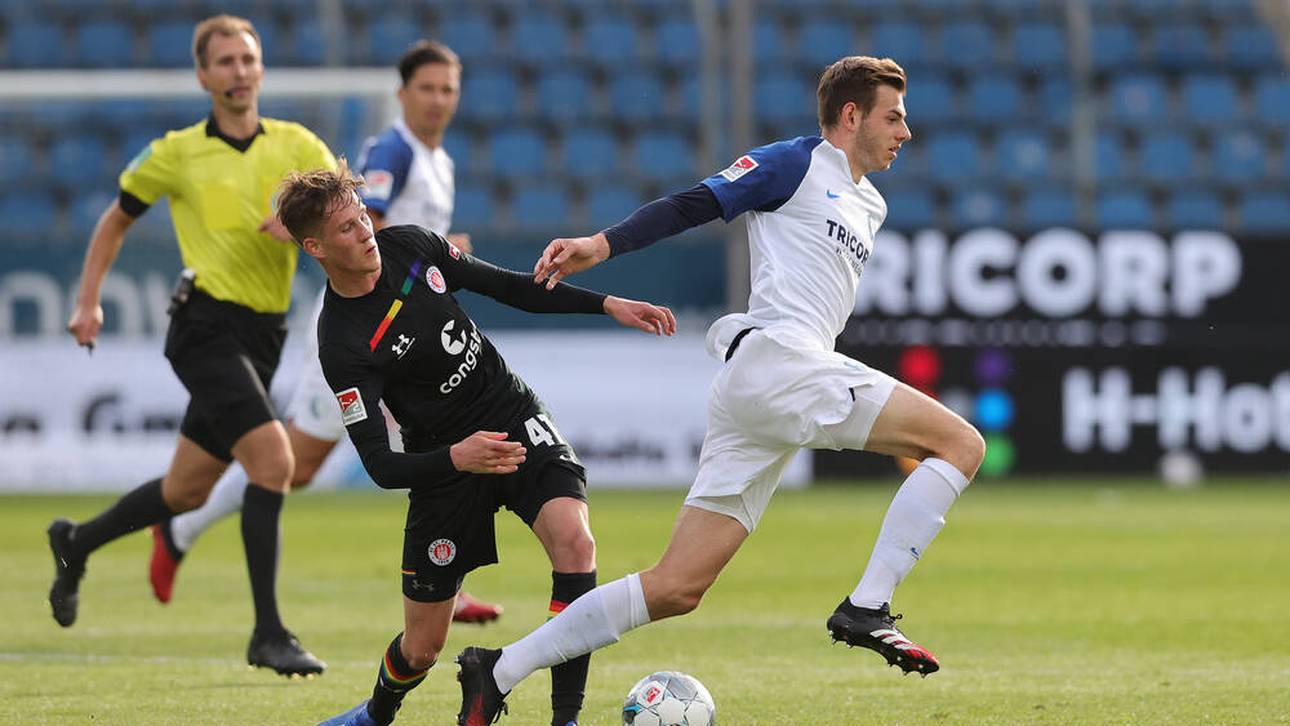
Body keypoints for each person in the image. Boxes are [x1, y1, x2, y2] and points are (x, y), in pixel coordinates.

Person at [454, 56, 987, 723]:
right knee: (961, 444)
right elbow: (696, 203)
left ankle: (497, 669)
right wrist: (600, 244)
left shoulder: (870, 202)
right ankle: (867, 605)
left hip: (767, 388)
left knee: (677, 587)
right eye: (894, 116)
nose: (905, 131)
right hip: (778, 363)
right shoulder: (795, 162)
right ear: (851, 116)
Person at [273, 162, 676, 726]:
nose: (364, 231)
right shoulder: (340, 343)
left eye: (362, 216)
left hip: (509, 413)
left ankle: (566, 719)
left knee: (575, 544)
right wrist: (457, 457)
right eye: (346, 228)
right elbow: (381, 465)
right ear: (314, 246)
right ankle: (374, 717)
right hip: (445, 463)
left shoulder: (411, 246)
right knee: (422, 649)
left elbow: (512, 288)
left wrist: (606, 304)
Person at [147, 39, 503, 625]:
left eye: (448, 90)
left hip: (403, 330)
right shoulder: (395, 147)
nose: (438, 100)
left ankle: (447, 583)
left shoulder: (441, 160)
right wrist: (440, 251)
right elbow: (371, 226)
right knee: (295, 464)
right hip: (360, 332)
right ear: (402, 94)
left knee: (435, 439)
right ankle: (179, 530)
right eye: (427, 89)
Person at [51, 15, 335, 676]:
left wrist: (305, 226)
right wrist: (88, 300)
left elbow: (346, 219)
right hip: (204, 327)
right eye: (225, 61)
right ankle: (268, 632)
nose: (239, 71)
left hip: (264, 334)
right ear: (204, 76)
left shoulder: (299, 144)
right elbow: (114, 221)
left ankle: (77, 542)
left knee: (184, 492)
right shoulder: (176, 151)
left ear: (260, 70)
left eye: (248, 59)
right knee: (273, 464)